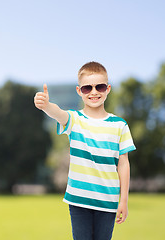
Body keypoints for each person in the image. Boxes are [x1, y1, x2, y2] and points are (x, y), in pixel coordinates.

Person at [34, 61, 136, 240]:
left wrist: (124, 200)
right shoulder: (75, 120)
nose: (94, 92)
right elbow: (59, 113)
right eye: (87, 88)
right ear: (79, 91)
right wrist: (46, 106)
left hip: (108, 201)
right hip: (78, 200)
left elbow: (124, 163)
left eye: (100, 86)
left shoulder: (120, 125)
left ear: (108, 89)